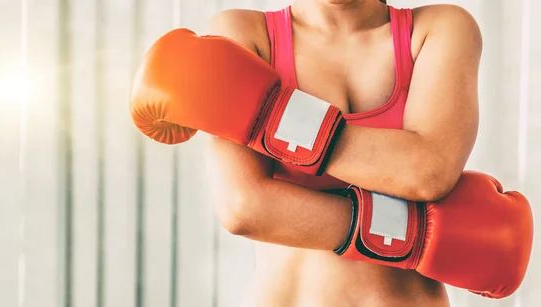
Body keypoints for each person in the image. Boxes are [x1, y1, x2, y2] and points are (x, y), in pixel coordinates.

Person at [130, 1, 533, 306]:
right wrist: (412, 235)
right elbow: (244, 207)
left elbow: (427, 171)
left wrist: (269, 117)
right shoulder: (245, 32)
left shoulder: (440, 29)